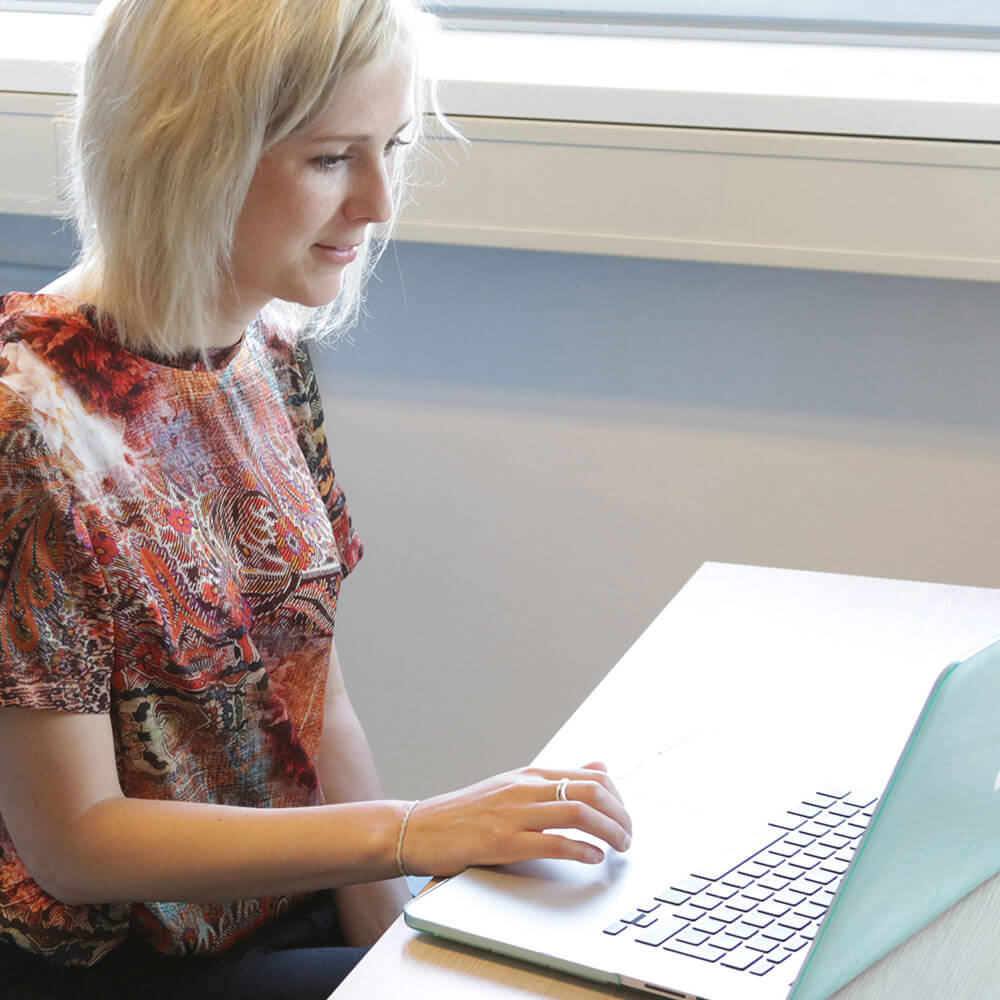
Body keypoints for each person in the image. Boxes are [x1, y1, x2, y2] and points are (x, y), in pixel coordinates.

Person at [0, 0, 633, 997]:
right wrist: (414, 831)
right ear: (187, 154)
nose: (379, 202)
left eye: (392, 148)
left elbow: (315, 694)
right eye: (332, 158)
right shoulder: (26, 424)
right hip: (121, 964)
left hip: (276, 912)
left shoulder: (270, 351)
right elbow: (73, 842)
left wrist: (395, 958)